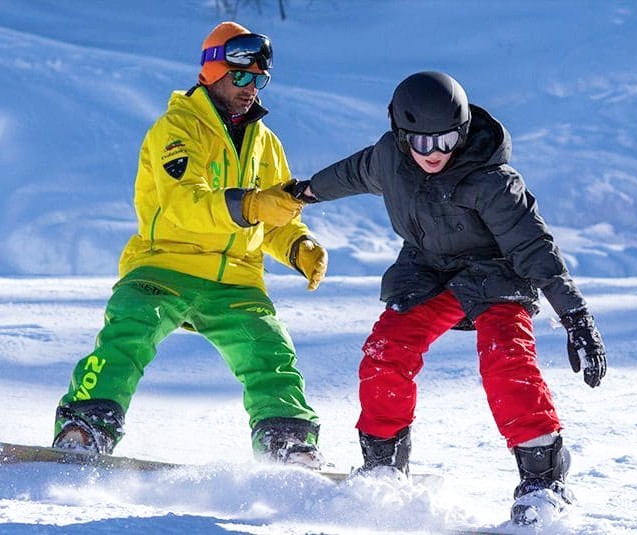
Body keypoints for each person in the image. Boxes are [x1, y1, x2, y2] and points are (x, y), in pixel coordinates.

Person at [289, 71, 607, 524]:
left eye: (447, 140)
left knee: (504, 358)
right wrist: (306, 192)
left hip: (495, 274)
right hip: (428, 271)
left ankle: (543, 480)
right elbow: (352, 173)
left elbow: (535, 247)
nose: (435, 153)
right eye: (422, 143)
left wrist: (575, 317)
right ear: (402, 137)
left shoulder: (492, 180)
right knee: (386, 350)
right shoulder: (389, 159)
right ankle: (383, 466)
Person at [52, 21, 329, 470]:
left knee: (269, 351)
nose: (251, 87)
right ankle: (86, 426)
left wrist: (298, 244)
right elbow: (185, 203)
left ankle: (288, 442)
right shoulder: (178, 129)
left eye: (259, 78)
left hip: (236, 280)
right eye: (242, 75)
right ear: (212, 70)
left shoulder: (266, 144)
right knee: (131, 329)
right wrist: (255, 205)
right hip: (165, 266)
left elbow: (273, 215)